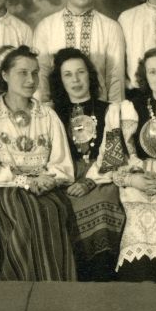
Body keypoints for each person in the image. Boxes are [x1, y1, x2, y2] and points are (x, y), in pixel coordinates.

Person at [0, 45, 77, 281]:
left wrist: (49, 180)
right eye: (23, 73)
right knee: (26, 214)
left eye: (35, 73)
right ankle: (19, 288)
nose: (31, 80)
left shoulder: (48, 115)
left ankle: (55, 290)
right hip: (5, 187)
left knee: (52, 210)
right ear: (5, 75)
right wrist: (25, 181)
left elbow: (61, 162)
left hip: (46, 186)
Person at [91, 47, 156, 282]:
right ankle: (138, 286)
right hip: (138, 176)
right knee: (137, 217)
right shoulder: (128, 108)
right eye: (153, 72)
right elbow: (113, 158)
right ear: (144, 76)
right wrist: (131, 179)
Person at [48, 47, 125, 281]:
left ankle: (103, 282)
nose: (75, 80)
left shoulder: (109, 109)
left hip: (101, 175)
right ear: (60, 80)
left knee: (102, 204)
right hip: (65, 174)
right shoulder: (51, 113)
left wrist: (89, 182)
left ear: (89, 75)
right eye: (68, 74)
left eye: (80, 72)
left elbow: (112, 154)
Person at [33, 0, 125, 104]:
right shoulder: (45, 27)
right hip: (56, 110)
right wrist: (43, 112)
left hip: (99, 110)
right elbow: (41, 78)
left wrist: (114, 113)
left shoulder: (111, 28)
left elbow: (116, 79)